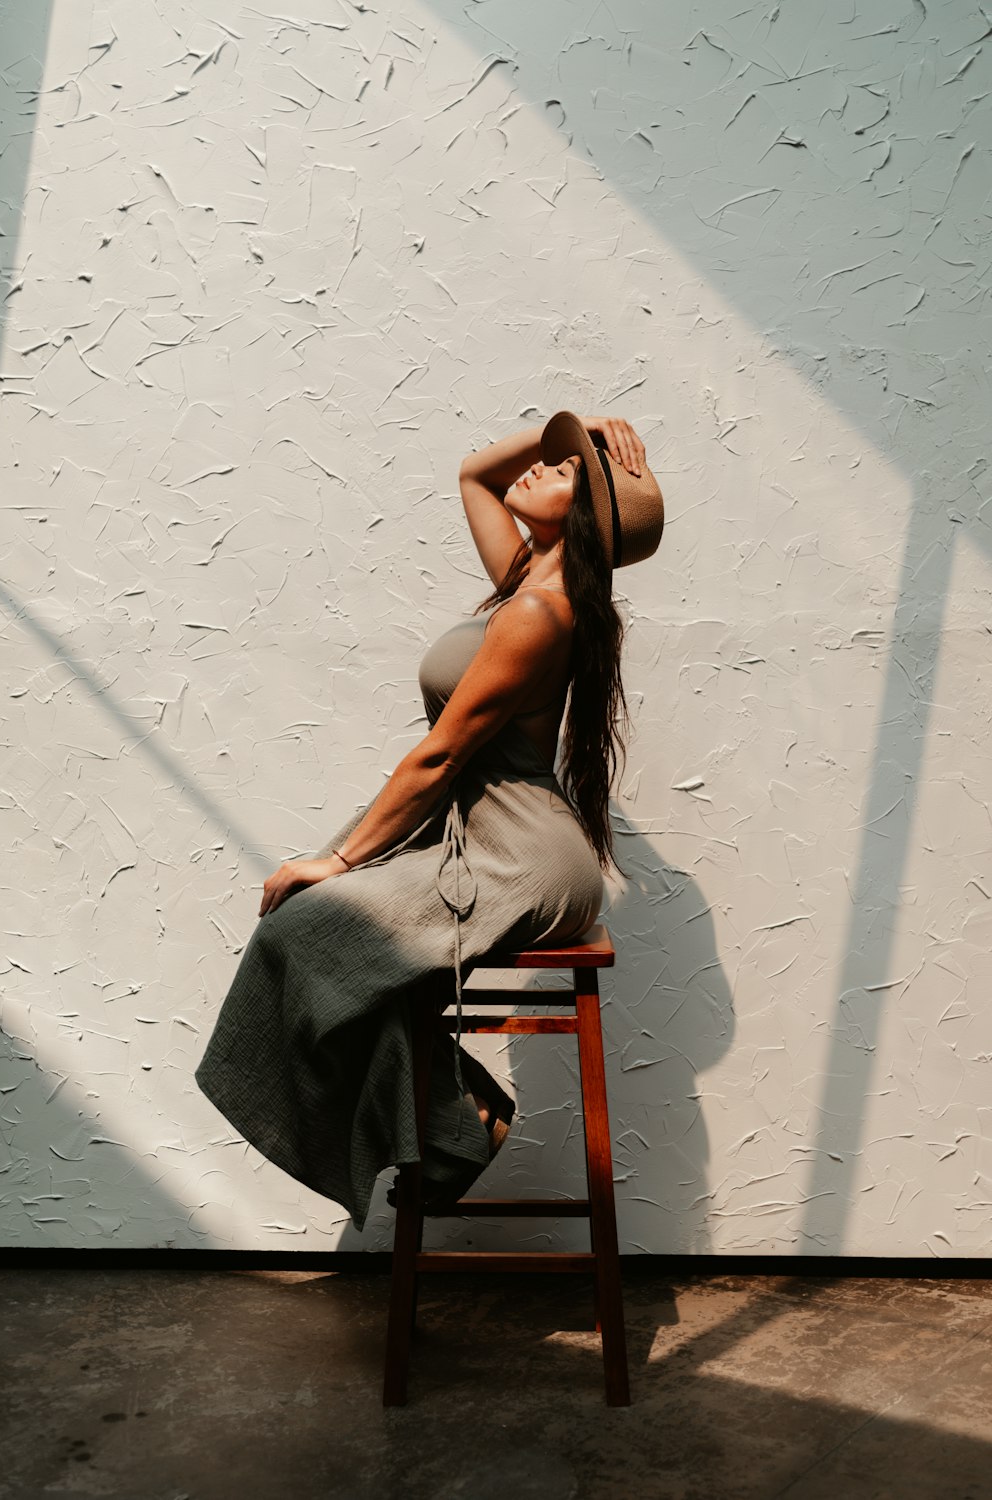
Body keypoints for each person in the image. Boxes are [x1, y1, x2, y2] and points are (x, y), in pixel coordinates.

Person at [194, 411, 665, 1230]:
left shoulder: (539, 614)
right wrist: (574, 427)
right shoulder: (526, 577)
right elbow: (476, 474)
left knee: (303, 932)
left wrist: (338, 861)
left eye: (562, 473)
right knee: (315, 939)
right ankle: (462, 1118)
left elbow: (442, 758)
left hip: (520, 852)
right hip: (477, 835)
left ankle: (453, 1127)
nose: (540, 469)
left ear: (585, 514)